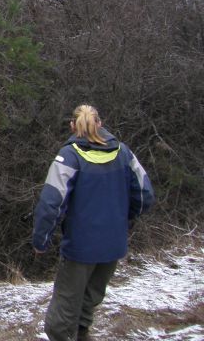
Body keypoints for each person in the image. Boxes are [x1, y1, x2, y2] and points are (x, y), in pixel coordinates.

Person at [32, 104, 154, 341]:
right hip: (113, 245)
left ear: (72, 126)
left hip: (80, 248)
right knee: (87, 306)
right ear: (100, 123)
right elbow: (144, 195)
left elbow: (51, 203)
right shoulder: (124, 153)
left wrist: (41, 240)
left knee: (59, 321)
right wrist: (123, 220)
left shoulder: (69, 156)